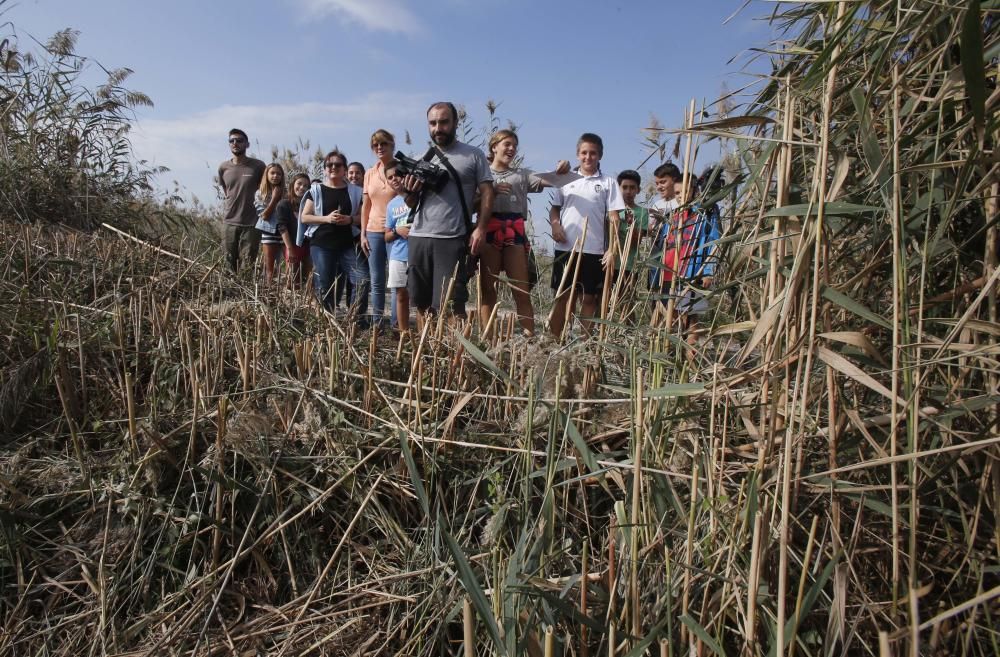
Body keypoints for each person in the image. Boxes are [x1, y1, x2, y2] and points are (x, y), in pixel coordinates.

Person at [399, 102, 494, 324]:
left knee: (451, 305)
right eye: (433, 123)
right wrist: (410, 192)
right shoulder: (421, 157)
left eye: (443, 122)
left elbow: (488, 192)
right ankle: (427, 353)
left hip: (452, 239)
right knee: (421, 304)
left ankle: (456, 357)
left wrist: (481, 228)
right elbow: (413, 203)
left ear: (455, 123)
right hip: (419, 237)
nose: (438, 128)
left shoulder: (473, 155)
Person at [481, 129, 569, 336]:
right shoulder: (482, 174)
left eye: (514, 145)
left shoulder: (522, 175)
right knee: (488, 290)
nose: (511, 149)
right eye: (507, 144)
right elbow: (471, 202)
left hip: (515, 233)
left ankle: (529, 338)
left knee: (521, 290)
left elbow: (554, 180)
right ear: (494, 147)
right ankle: (487, 339)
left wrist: (562, 169)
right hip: (489, 230)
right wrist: (491, 193)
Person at [548, 132, 625, 337]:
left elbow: (615, 218)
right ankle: (556, 340)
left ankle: (585, 344)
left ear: (600, 155)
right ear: (577, 154)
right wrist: (555, 226)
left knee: (589, 298)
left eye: (593, 153)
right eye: (584, 153)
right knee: (563, 296)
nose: (588, 157)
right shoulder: (566, 180)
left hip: (594, 250)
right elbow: (555, 209)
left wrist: (612, 249)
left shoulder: (609, 183)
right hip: (566, 248)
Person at [299, 150, 369, 317]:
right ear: (324, 169)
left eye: (338, 165)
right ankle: (326, 319)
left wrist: (350, 220)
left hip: (347, 243)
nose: (333, 167)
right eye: (329, 165)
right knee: (325, 282)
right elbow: (305, 217)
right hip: (322, 243)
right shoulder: (315, 190)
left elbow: (363, 216)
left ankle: (355, 319)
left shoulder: (356, 192)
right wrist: (327, 219)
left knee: (362, 279)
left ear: (344, 169)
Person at [360, 130, 397, 329]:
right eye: (375, 145)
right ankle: (377, 323)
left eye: (384, 144)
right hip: (373, 231)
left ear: (392, 145)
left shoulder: (401, 169)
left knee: (397, 280)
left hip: (396, 232)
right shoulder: (369, 173)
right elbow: (366, 205)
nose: (380, 148)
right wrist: (363, 234)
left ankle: (396, 324)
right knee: (377, 280)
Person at [218, 128, 266, 273]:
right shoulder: (223, 167)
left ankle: (244, 295)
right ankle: (227, 295)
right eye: (231, 141)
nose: (235, 143)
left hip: (252, 224)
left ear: (247, 144)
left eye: (239, 140)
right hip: (229, 222)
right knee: (228, 265)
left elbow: (264, 190)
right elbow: (227, 191)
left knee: (247, 266)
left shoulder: (258, 166)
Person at [609, 169, 650, 302]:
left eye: (632, 188)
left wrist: (630, 224)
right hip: (609, 263)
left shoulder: (642, 212)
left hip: (628, 265)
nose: (628, 191)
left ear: (638, 190)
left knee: (626, 302)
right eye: (624, 187)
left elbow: (637, 241)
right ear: (618, 189)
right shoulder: (611, 210)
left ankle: (625, 323)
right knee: (604, 301)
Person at [383, 160, 412, 335]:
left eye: (397, 175)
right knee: (401, 295)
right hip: (398, 255)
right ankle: (403, 334)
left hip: (418, 254)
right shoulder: (392, 205)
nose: (394, 179)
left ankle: (426, 335)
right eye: (390, 177)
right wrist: (397, 230)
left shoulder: (420, 195)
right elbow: (386, 236)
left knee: (422, 298)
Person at [648, 162, 682, 296]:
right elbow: (649, 229)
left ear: (675, 180)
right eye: (657, 183)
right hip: (657, 257)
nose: (659, 187)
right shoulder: (657, 205)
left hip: (676, 257)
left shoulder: (682, 202)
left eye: (663, 182)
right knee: (656, 294)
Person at [276, 172, 312, 287]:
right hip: (292, 246)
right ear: (292, 185)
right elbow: (282, 227)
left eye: (305, 186)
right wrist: (290, 249)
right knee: (291, 281)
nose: (302, 187)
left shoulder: (309, 205)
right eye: (299, 184)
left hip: (307, 246)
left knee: (310, 280)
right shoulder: (283, 204)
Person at [254, 163, 286, 284]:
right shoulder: (259, 193)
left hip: (285, 232)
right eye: (272, 173)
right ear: (266, 175)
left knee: (286, 265)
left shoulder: (286, 192)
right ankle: (268, 294)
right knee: (269, 268)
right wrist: (274, 198)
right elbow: (264, 216)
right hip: (268, 231)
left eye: (278, 173)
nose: (275, 176)